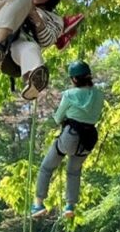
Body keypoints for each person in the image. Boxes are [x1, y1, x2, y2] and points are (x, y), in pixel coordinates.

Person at [31, 61, 104, 219]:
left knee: (46, 167)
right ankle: (70, 206)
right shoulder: (99, 94)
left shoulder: (69, 95)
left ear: (75, 80)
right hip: (89, 138)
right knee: (73, 171)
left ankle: (37, 204)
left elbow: (58, 118)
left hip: (71, 136)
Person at [0, 0, 68, 100]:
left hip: (16, 54)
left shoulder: (55, 19)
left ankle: (33, 80)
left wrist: (34, 15)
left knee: (31, 47)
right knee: (23, 0)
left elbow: (47, 41)